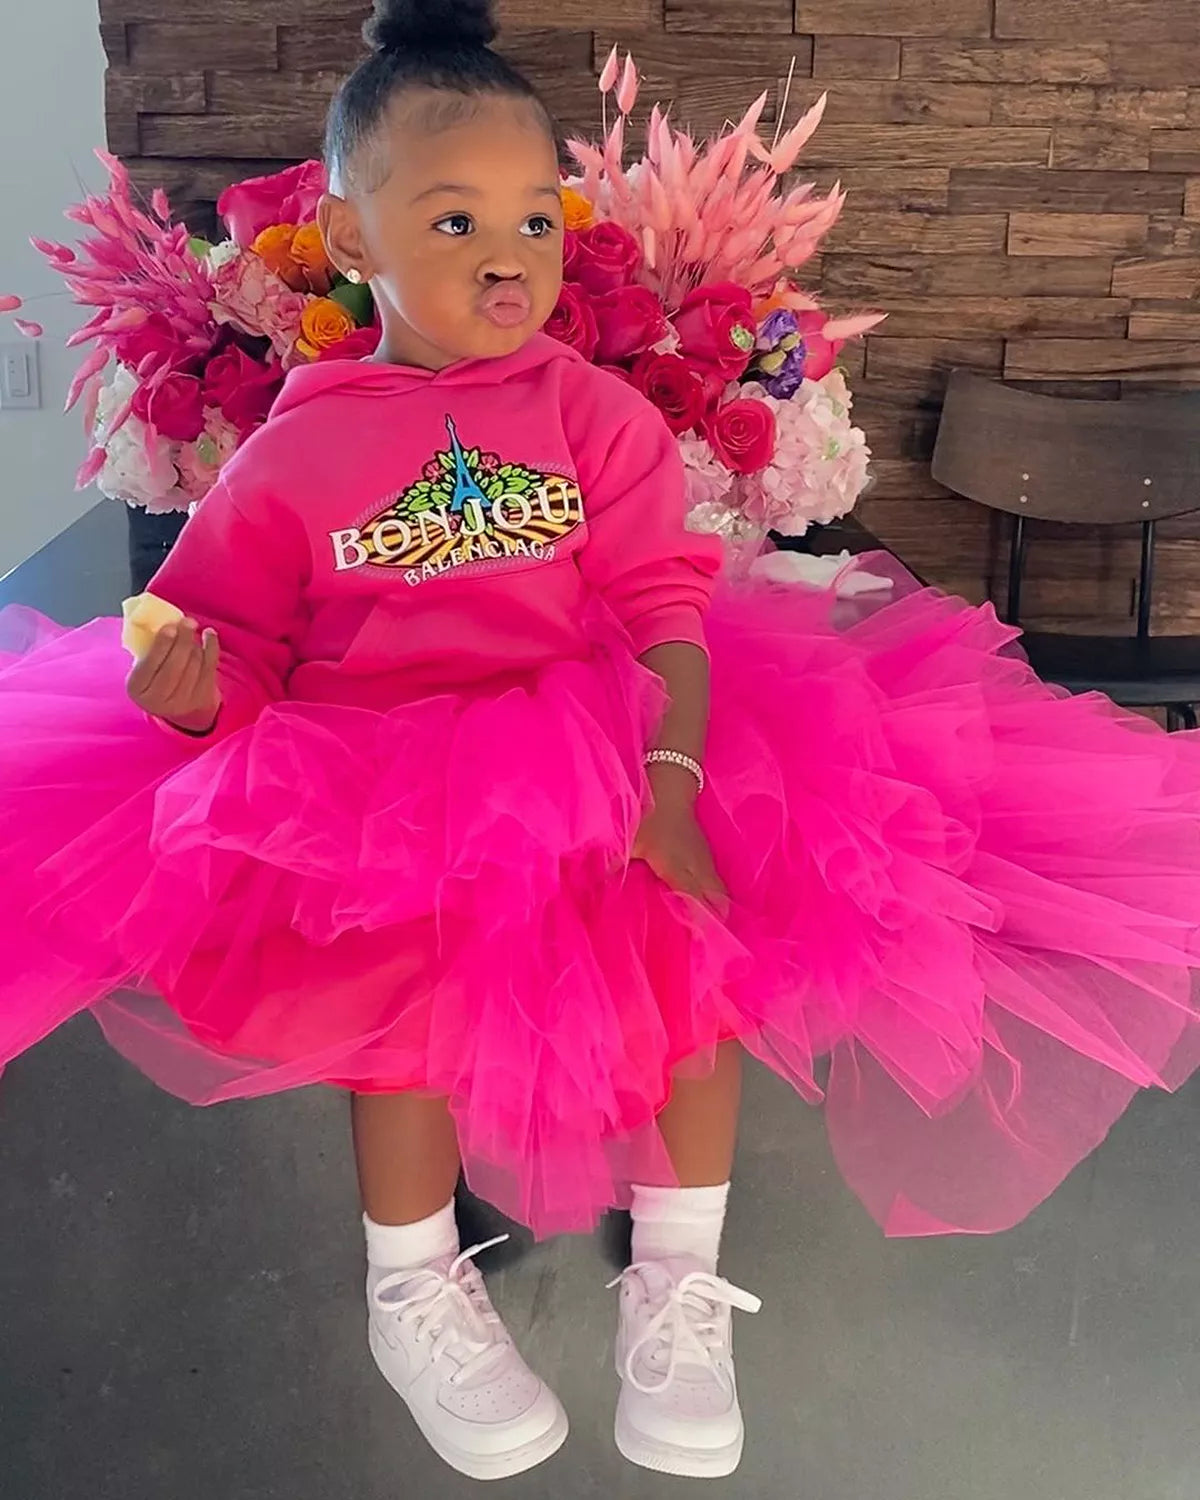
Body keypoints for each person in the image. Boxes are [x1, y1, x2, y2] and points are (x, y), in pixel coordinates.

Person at [4, 0, 1200, 1482]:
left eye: (535, 220)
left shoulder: (592, 419)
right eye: (454, 219)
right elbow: (236, 647)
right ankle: (409, 1285)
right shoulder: (293, 452)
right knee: (402, 1010)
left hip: (610, 742)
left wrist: (673, 778)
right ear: (352, 238)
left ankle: (680, 1286)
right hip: (384, 776)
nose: (508, 253)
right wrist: (198, 693)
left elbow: (664, 611)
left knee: (690, 968)